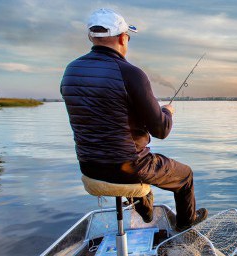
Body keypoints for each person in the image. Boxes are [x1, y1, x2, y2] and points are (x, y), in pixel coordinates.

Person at [60, 8, 207, 231]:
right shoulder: (130, 73)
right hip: (129, 168)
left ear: (92, 37)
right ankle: (185, 225)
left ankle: (144, 206)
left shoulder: (71, 71)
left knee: (137, 161)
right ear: (122, 37)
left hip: (89, 167)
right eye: (128, 37)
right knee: (185, 175)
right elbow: (161, 130)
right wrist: (167, 112)